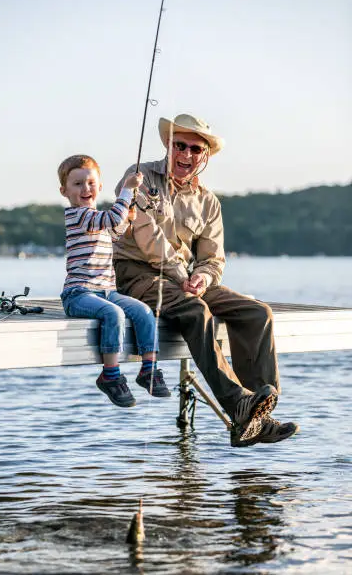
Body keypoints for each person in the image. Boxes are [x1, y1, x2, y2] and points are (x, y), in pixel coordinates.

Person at [113, 114, 299, 446]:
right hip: (138, 275)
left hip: (183, 281)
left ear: (205, 155)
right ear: (168, 146)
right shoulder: (138, 177)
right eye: (179, 145)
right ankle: (238, 404)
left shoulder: (209, 201)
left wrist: (202, 276)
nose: (186, 154)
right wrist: (185, 277)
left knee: (259, 314)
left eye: (195, 149)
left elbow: (213, 257)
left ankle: (257, 419)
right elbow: (147, 237)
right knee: (196, 310)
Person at [58, 154, 171, 408]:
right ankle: (110, 375)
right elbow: (111, 219)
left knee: (143, 312)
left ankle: (149, 370)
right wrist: (127, 191)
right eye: (77, 184)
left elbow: (116, 231)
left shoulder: (96, 218)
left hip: (107, 290)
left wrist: (127, 217)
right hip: (79, 293)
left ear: (98, 186)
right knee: (114, 315)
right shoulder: (77, 216)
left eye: (90, 183)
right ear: (64, 191)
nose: (85, 189)